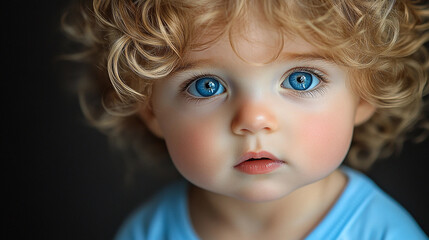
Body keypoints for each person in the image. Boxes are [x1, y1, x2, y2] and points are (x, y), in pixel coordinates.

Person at [62, 0, 429, 239]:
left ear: (364, 96)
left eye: (301, 80)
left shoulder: (382, 233)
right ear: (151, 110)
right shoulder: (147, 232)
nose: (253, 120)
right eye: (207, 86)